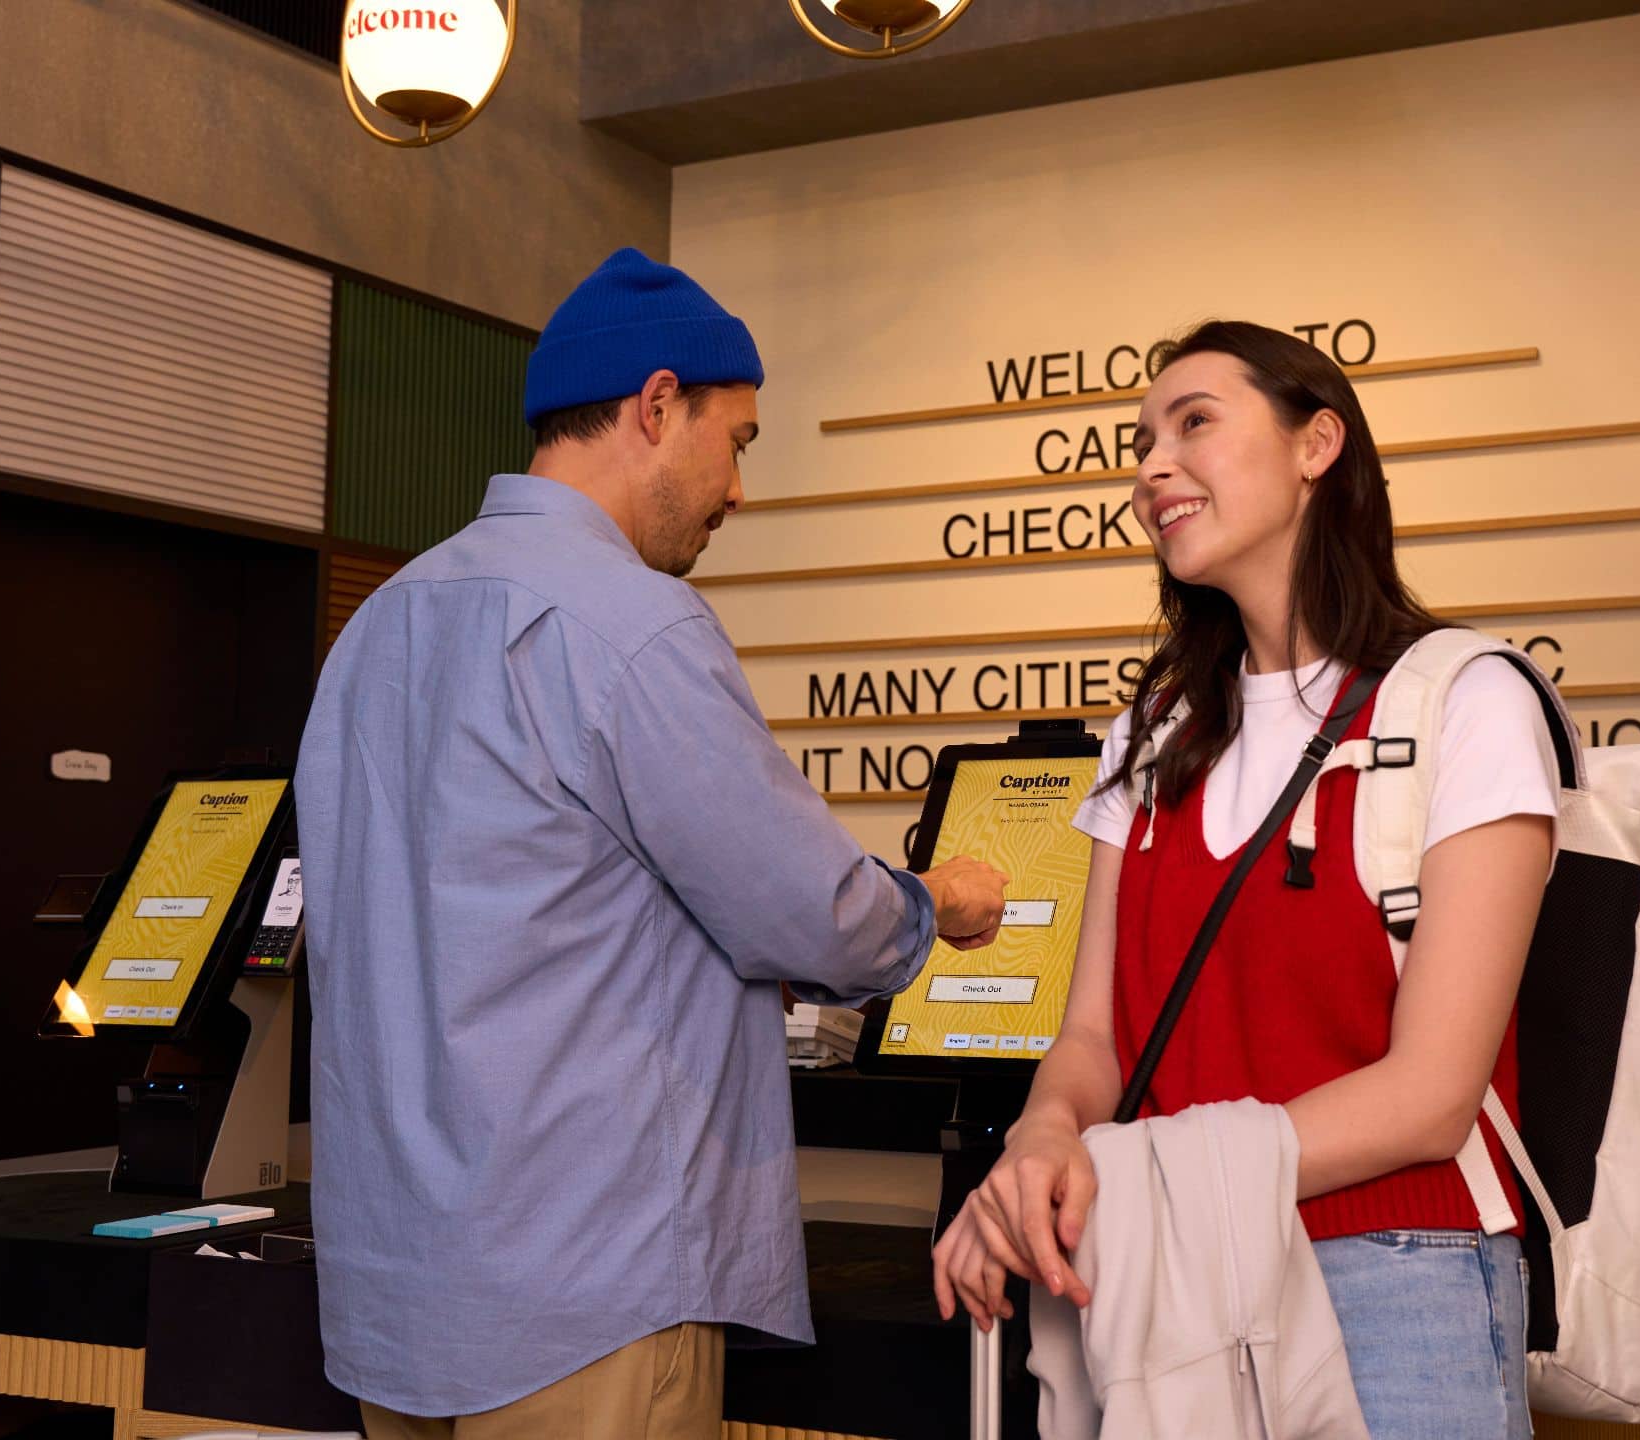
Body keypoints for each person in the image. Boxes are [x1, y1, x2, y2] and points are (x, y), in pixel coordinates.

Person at [297, 248, 1008, 1439]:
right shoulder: (631, 623)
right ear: (657, 405)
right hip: (586, 1293)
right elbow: (809, 912)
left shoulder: (377, 626)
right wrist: (937, 902)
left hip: (400, 1300)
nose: (737, 490)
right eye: (738, 442)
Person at [932, 320, 1558, 1439]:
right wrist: (1035, 1149)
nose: (1149, 466)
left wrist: (1123, 1178)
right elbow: (1093, 1042)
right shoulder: (1153, 732)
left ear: (1318, 444)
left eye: (1194, 423)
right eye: (1140, 441)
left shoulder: (1463, 701)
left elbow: (1432, 1096)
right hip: (1172, 1281)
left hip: (1398, 1277)